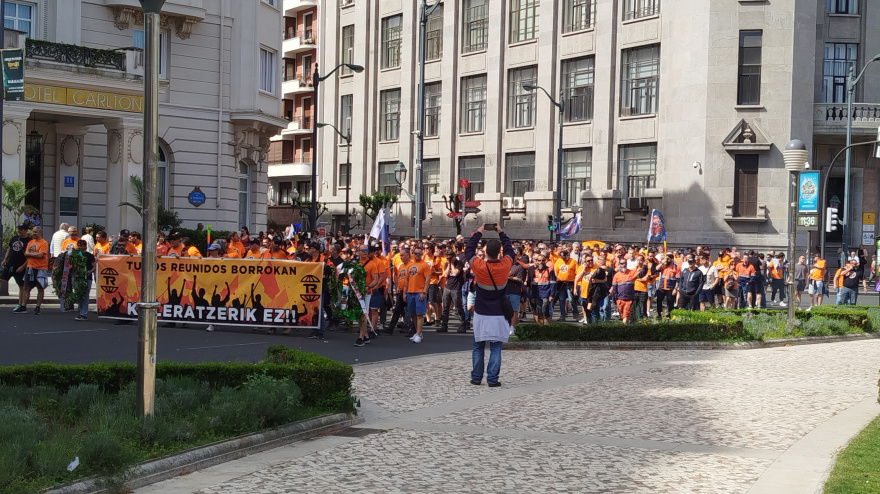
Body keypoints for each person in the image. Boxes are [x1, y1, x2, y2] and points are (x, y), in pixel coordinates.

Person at [464, 223, 514, 387]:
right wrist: (501, 232)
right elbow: (510, 250)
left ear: (485, 252)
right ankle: (492, 379)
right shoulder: (506, 264)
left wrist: (479, 231)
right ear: (499, 252)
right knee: (496, 347)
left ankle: (476, 378)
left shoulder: (479, 265)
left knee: (478, 346)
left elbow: (468, 250)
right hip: (499, 313)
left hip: (481, 312)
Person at [15, 226, 49, 315]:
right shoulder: (30, 242)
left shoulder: (44, 243)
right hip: (30, 267)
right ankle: (23, 306)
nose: (34, 233)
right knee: (26, 287)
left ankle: (37, 307)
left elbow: (41, 255)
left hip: (40, 268)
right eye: (33, 232)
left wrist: (30, 254)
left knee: (40, 288)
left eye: (36, 232)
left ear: (40, 233)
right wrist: (33, 254)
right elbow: (26, 253)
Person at [406, 246, 432, 343]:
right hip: (410, 291)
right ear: (413, 254)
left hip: (419, 291)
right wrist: (405, 291)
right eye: (415, 253)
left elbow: (427, 280)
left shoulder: (424, 265)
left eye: (419, 254)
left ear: (421, 254)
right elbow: (406, 280)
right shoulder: (410, 265)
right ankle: (418, 332)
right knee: (412, 314)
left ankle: (418, 333)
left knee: (420, 314)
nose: (417, 255)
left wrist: (424, 292)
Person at [1, 224, 31, 296]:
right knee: (1, 279)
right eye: (18, 229)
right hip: (9, 264)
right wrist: (5, 259)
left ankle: (20, 303)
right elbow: (9, 248)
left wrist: (23, 266)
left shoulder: (29, 241)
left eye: (21, 229)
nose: (19, 231)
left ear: (25, 230)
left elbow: (29, 256)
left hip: (20, 265)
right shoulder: (14, 238)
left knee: (21, 286)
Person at [74, 239, 96, 321]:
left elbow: (94, 266)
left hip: (87, 278)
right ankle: (80, 312)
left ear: (85, 246)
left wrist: (90, 271)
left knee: (85, 296)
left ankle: (84, 314)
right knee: (79, 295)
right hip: (77, 278)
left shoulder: (89, 256)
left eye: (82, 245)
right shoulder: (75, 255)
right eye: (78, 245)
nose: (80, 247)